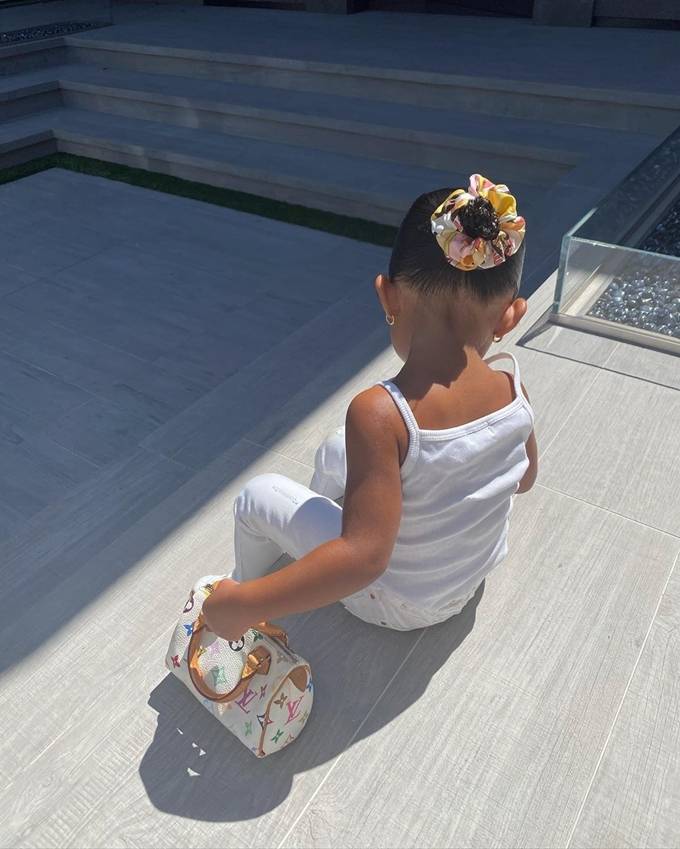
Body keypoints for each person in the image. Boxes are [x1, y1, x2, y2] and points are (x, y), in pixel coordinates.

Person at [203, 174, 538, 639]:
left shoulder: (380, 413)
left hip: (397, 605)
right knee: (336, 450)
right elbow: (523, 478)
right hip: (465, 583)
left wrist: (240, 607)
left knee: (258, 495)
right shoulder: (513, 390)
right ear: (510, 317)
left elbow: (364, 560)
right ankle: (324, 525)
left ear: (387, 297)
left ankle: (240, 591)